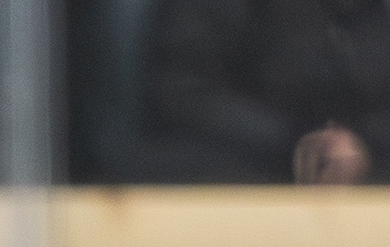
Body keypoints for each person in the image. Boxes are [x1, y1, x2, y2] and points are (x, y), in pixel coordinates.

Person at [140, 0, 390, 183]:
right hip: (240, 171)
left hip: (366, 173)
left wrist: (364, 144)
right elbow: (182, 91)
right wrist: (296, 143)